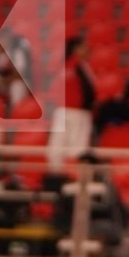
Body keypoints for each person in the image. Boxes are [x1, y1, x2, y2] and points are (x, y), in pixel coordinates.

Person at [50, 36, 97, 169]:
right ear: (76, 49)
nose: (87, 49)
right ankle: (72, 182)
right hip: (78, 113)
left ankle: (56, 178)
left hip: (61, 112)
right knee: (77, 150)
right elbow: (89, 90)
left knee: (57, 149)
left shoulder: (62, 65)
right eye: (84, 46)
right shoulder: (80, 66)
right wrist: (89, 108)